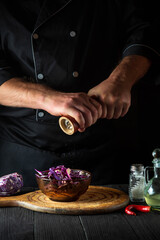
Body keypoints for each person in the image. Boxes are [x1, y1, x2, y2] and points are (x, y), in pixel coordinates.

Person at [0, 0, 159, 187]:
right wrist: (48, 99)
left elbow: (147, 31)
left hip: (105, 149)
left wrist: (120, 80)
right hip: (24, 154)